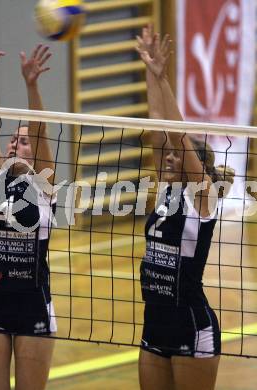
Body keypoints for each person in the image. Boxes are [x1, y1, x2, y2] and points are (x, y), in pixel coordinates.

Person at [136, 25, 234, 390]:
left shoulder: (202, 197)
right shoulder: (165, 190)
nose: (168, 157)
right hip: (154, 323)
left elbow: (176, 134)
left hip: (191, 324)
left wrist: (165, 81)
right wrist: (151, 71)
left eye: (178, 155)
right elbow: (159, 128)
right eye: (168, 155)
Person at [0, 26, 56, 390]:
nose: (14, 144)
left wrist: (31, 85)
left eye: (23, 142)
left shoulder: (44, 185)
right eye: (12, 139)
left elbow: (40, 130)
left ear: (33, 152)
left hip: (33, 308)